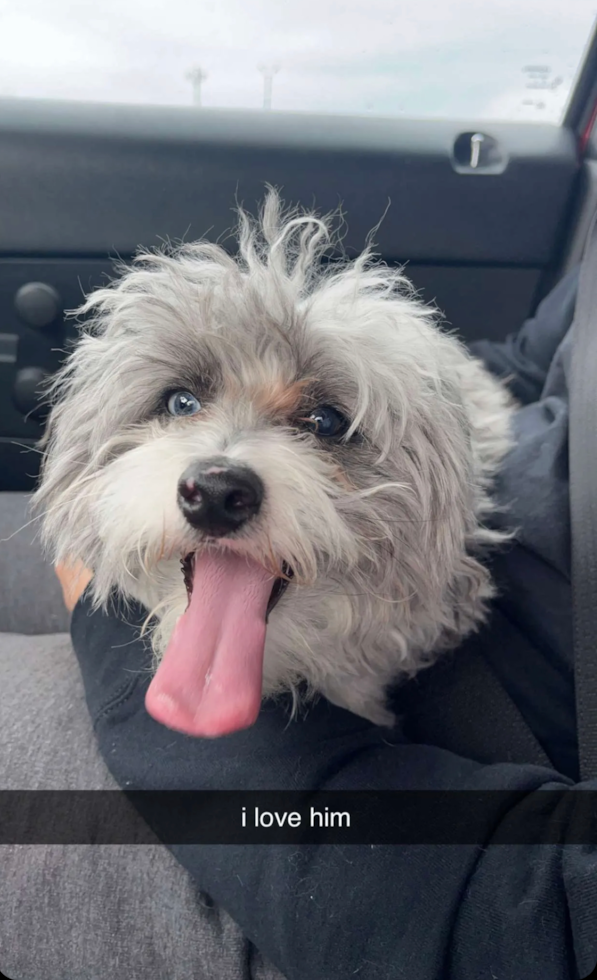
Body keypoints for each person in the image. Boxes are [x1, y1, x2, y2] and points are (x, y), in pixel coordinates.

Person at [54, 265, 597, 980]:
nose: (220, 470)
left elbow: (543, 924)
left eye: (321, 424)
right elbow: (535, 358)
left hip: (414, 804)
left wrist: (95, 609)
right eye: (181, 402)